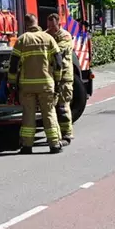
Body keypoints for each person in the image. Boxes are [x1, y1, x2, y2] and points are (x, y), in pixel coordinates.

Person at [8, 13, 64, 154]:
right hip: (46, 84)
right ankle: (54, 145)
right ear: (36, 22)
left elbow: (14, 64)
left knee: (28, 114)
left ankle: (27, 146)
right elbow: (58, 63)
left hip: (27, 86)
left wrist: (12, 83)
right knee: (49, 113)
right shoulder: (48, 38)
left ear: (26, 25)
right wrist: (57, 80)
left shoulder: (21, 40)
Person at [46, 13, 75, 146]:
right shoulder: (47, 34)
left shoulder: (65, 36)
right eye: (48, 26)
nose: (50, 29)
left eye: (53, 26)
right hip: (51, 76)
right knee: (52, 108)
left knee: (63, 106)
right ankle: (56, 135)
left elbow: (58, 51)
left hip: (64, 77)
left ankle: (67, 134)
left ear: (59, 24)